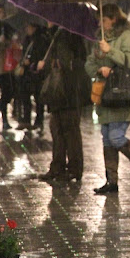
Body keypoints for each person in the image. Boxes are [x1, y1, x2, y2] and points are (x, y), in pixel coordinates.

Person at [85, 4, 130, 194]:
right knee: (107, 139)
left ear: (113, 19)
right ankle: (111, 182)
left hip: (122, 96)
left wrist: (111, 52)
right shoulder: (101, 38)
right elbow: (89, 63)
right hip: (105, 97)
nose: (101, 24)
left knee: (116, 137)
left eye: (104, 20)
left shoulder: (127, 36)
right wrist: (98, 69)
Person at [38, 26, 88, 182]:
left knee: (71, 131)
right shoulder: (57, 34)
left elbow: (79, 61)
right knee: (56, 130)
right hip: (58, 92)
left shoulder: (72, 34)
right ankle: (57, 167)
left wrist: (62, 63)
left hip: (69, 91)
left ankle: (74, 169)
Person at [16, 23, 49, 131]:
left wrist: (31, 61)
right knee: (25, 96)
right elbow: (24, 53)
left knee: (38, 98)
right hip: (26, 73)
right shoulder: (27, 39)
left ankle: (39, 121)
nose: (27, 29)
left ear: (34, 27)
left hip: (36, 73)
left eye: (29, 27)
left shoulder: (41, 39)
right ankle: (26, 120)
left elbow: (42, 55)